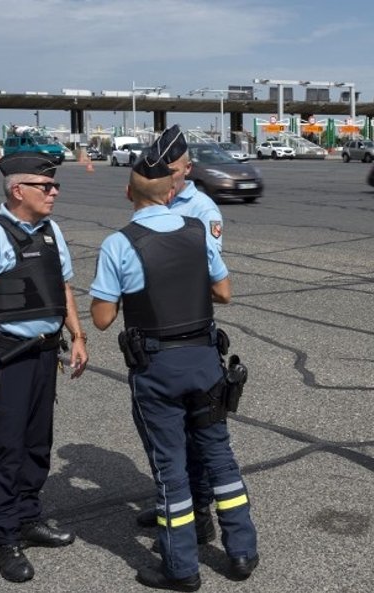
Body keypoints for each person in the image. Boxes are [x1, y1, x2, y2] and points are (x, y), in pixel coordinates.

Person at [89, 141, 258, 591]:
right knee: (220, 455)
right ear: (169, 193)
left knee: (170, 469)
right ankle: (241, 551)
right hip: (205, 360)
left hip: (158, 366)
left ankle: (181, 568)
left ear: (130, 194)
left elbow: (103, 319)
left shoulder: (120, 243)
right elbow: (224, 293)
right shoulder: (196, 231)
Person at [0, 152, 89, 583]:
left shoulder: (51, 232)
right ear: (18, 191)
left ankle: (30, 518)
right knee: (6, 447)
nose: (54, 192)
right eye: (45, 186)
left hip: (44, 354)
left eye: (55, 186)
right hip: (7, 357)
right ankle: (4, 537)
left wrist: (78, 335)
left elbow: (63, 285)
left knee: (37, 444)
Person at [135, 125, 221, 544]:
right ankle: (172, 502)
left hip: (188, 330)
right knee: (160, 431)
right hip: (153, 333)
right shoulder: (152, 198)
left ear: (185, 168)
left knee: (196, 431)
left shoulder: (202, 209)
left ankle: (200, 514)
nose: (165, 176)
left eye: (171, 169)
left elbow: (213, 276)